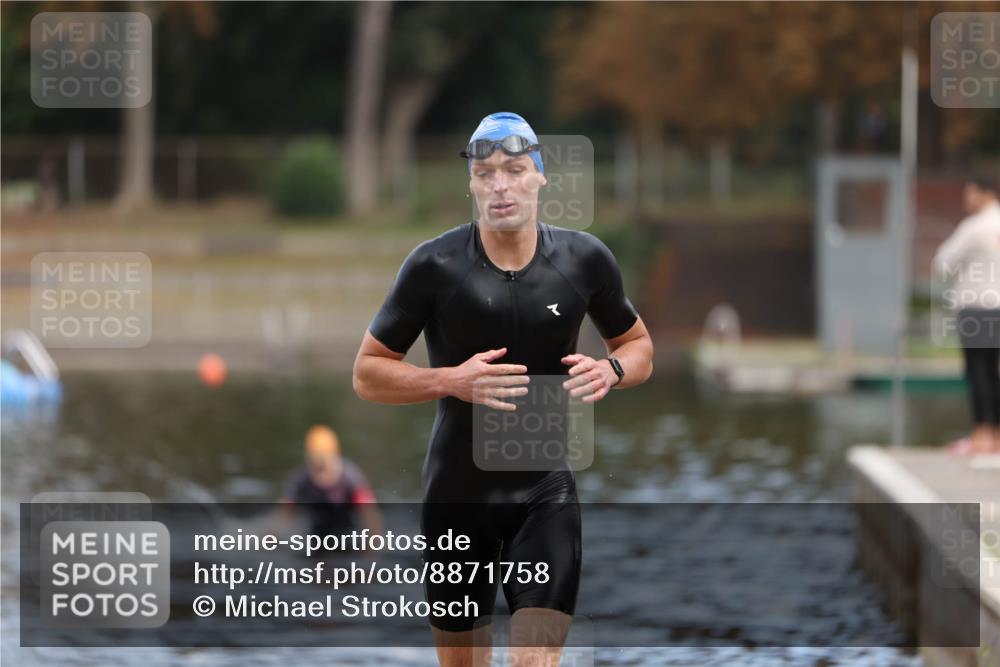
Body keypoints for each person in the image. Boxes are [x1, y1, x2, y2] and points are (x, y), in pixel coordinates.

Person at [353, 112, 654, 666]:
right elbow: (368, 372)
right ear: (470, 183)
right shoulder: (434, 266)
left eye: (514, 170)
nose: (500, 185)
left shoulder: (584, 260)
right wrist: (450, 379)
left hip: (545, 499)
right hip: (456, 502)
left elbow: (638, 347)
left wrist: (612, 370)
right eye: (485, 173)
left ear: (540, 177)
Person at [933, 175, 1000, 455]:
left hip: (977, 307)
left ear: (985, 194)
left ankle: (981, 437)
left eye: (970, 193)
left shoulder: (973, 227)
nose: (966, 199)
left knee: (978, 371)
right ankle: (995, 436)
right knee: (994, 372)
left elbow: (942, 262)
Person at [278, 425, 382, 539]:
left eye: (324, 465)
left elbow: (370, 517)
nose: (321, 473)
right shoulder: (300, 480)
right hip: (316, 527)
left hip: (346, 526)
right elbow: (283, 517)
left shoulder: (351, 478)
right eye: (315, 465)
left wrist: (372, 542)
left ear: (335, 458)